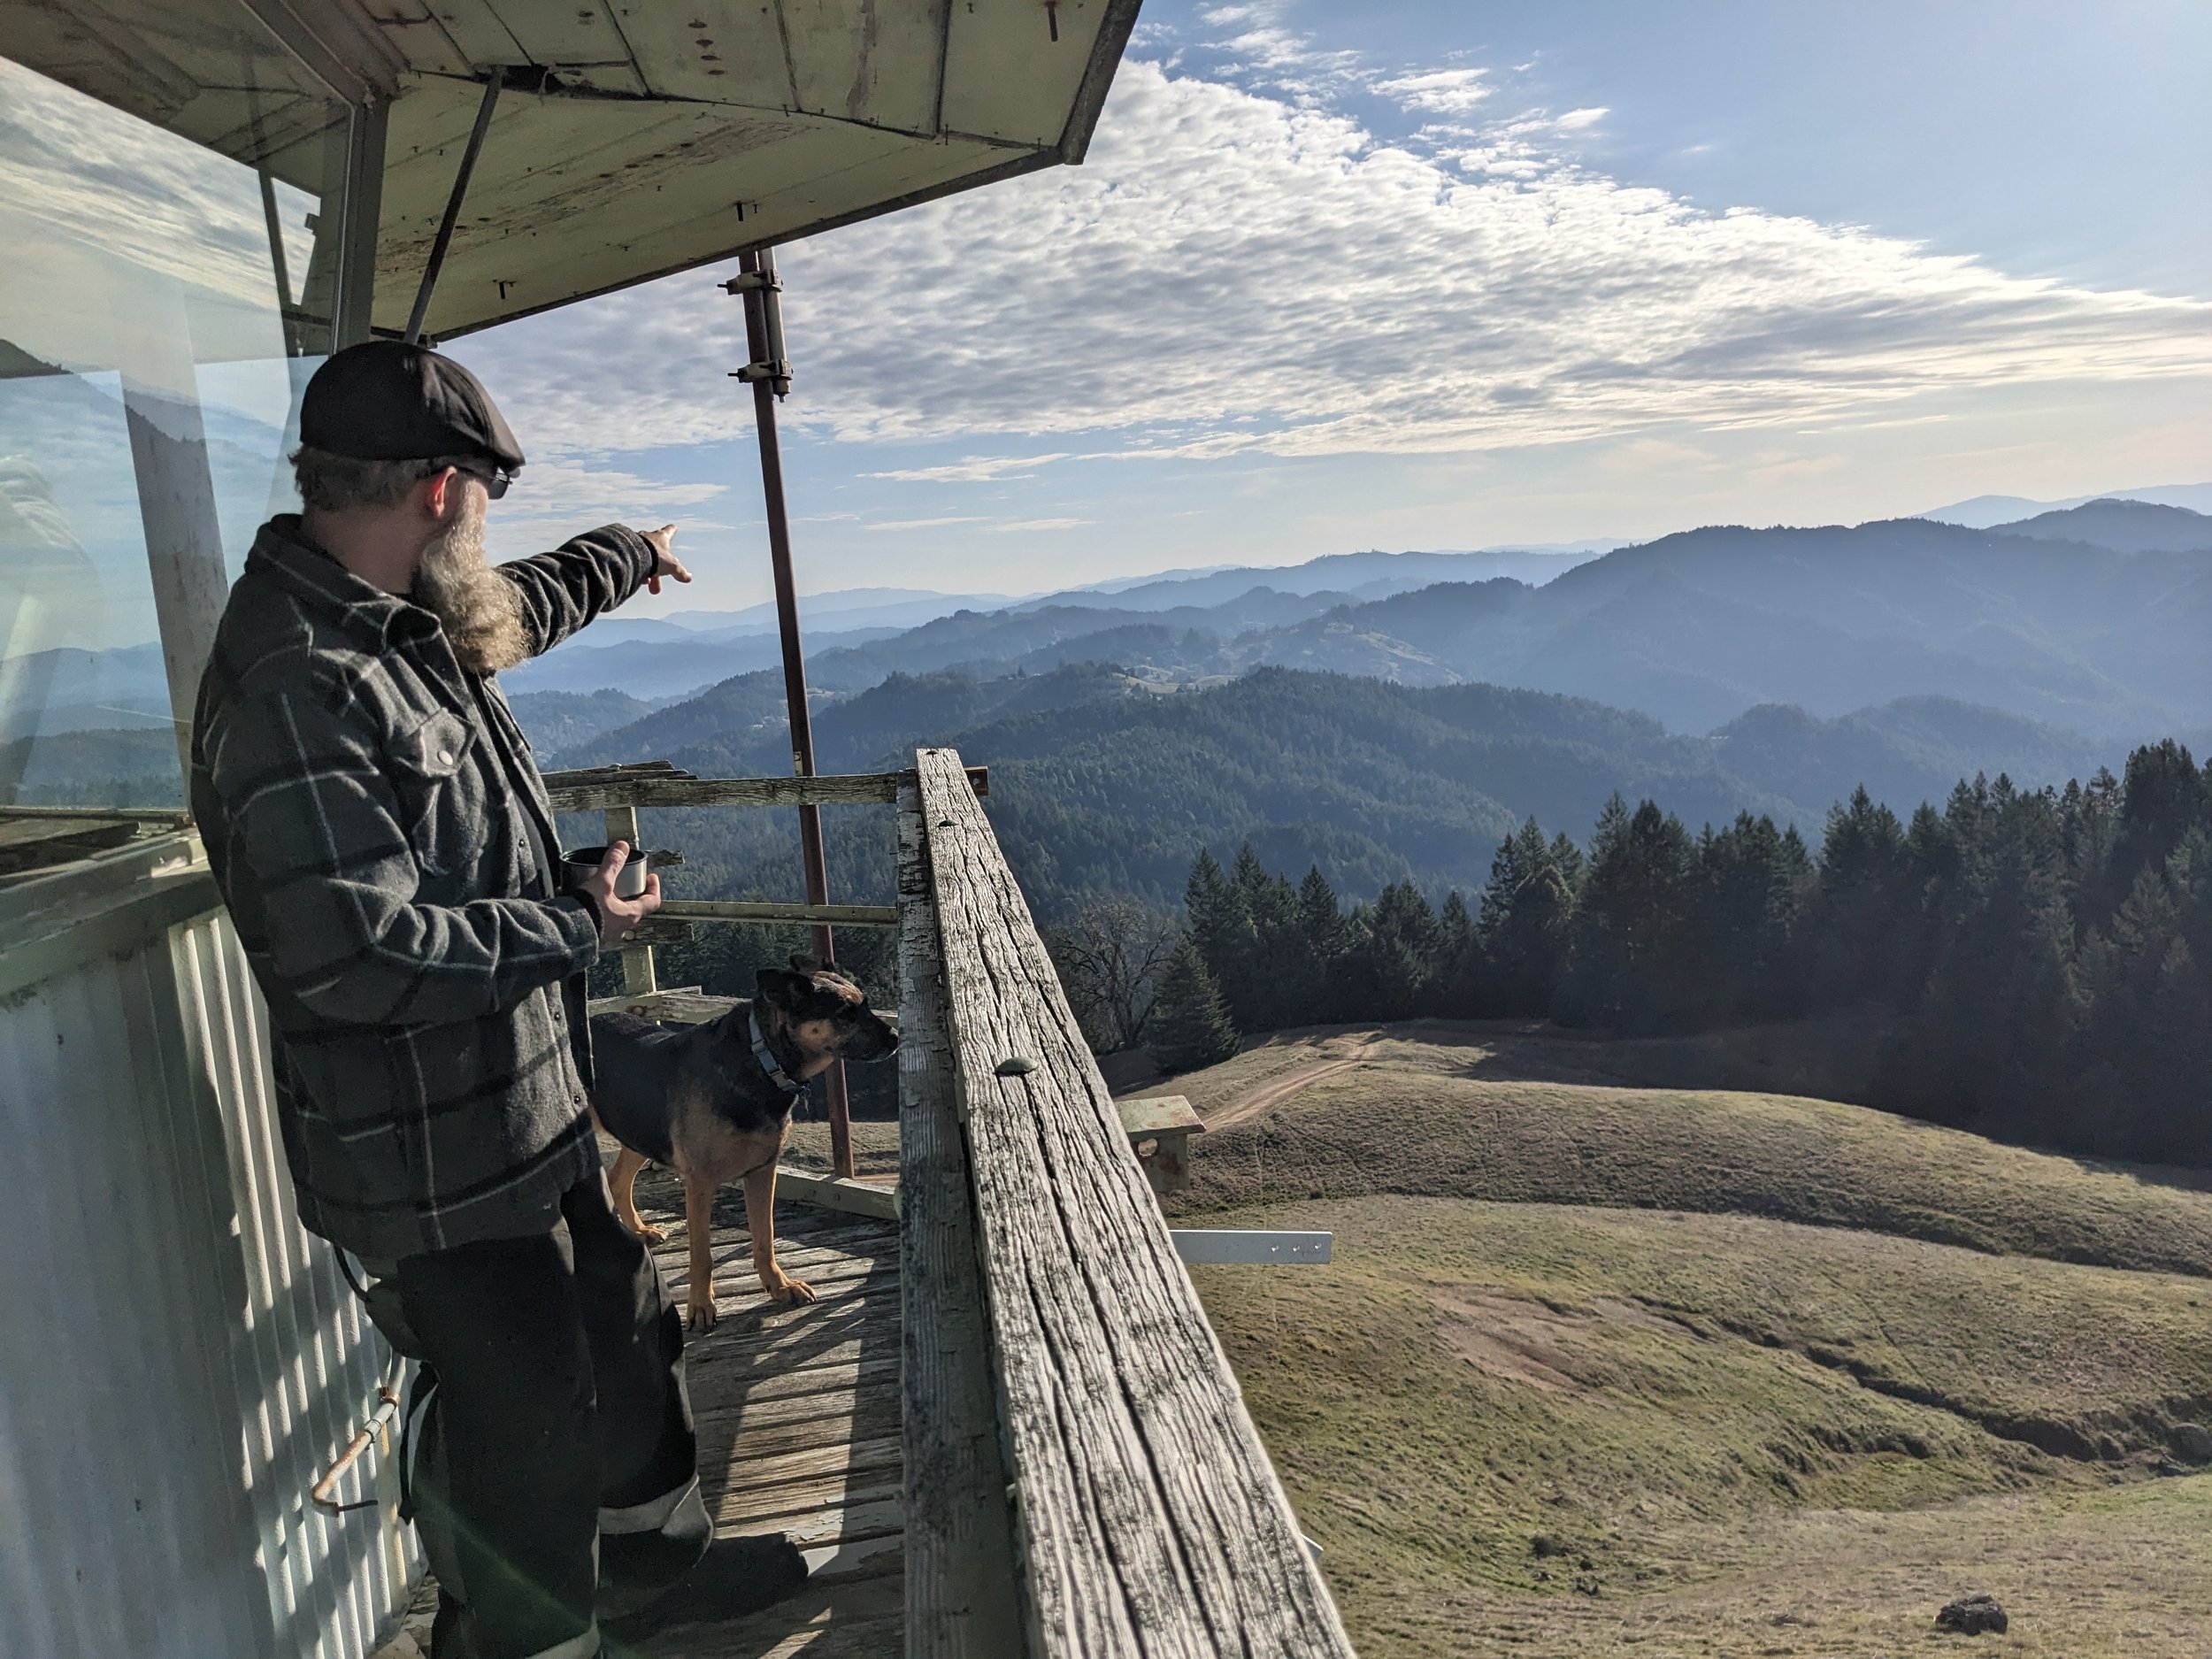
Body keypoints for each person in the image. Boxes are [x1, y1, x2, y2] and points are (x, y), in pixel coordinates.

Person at [189, 340, 802, 1658]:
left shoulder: (392, 613)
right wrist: (574, 920)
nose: (483, 533)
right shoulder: (300, 683)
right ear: (439, 490)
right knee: (518, 1424)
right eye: (482, 504)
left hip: (525, 1105)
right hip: (428, 1155)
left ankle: (655, 1571)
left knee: (626, 1331)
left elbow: (511, 600)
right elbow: (355, 957)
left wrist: (625, 554)